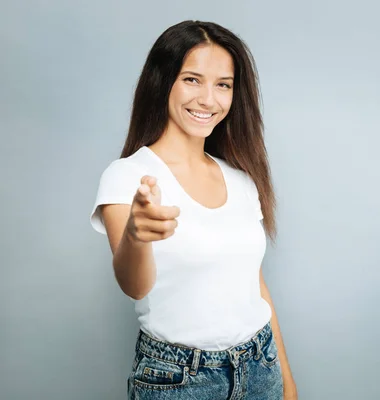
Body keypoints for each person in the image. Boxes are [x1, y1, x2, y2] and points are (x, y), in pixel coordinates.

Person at [89, 20, 297, 400]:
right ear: (162, 81)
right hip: (180, 380)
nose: (208, 99)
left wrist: (285, 378)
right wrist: (136, 236)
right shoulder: (128, 176)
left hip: (260, 367)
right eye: (192, 80)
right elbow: (133, 285)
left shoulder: (241, 178)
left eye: (223, 85)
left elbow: (256, 285)